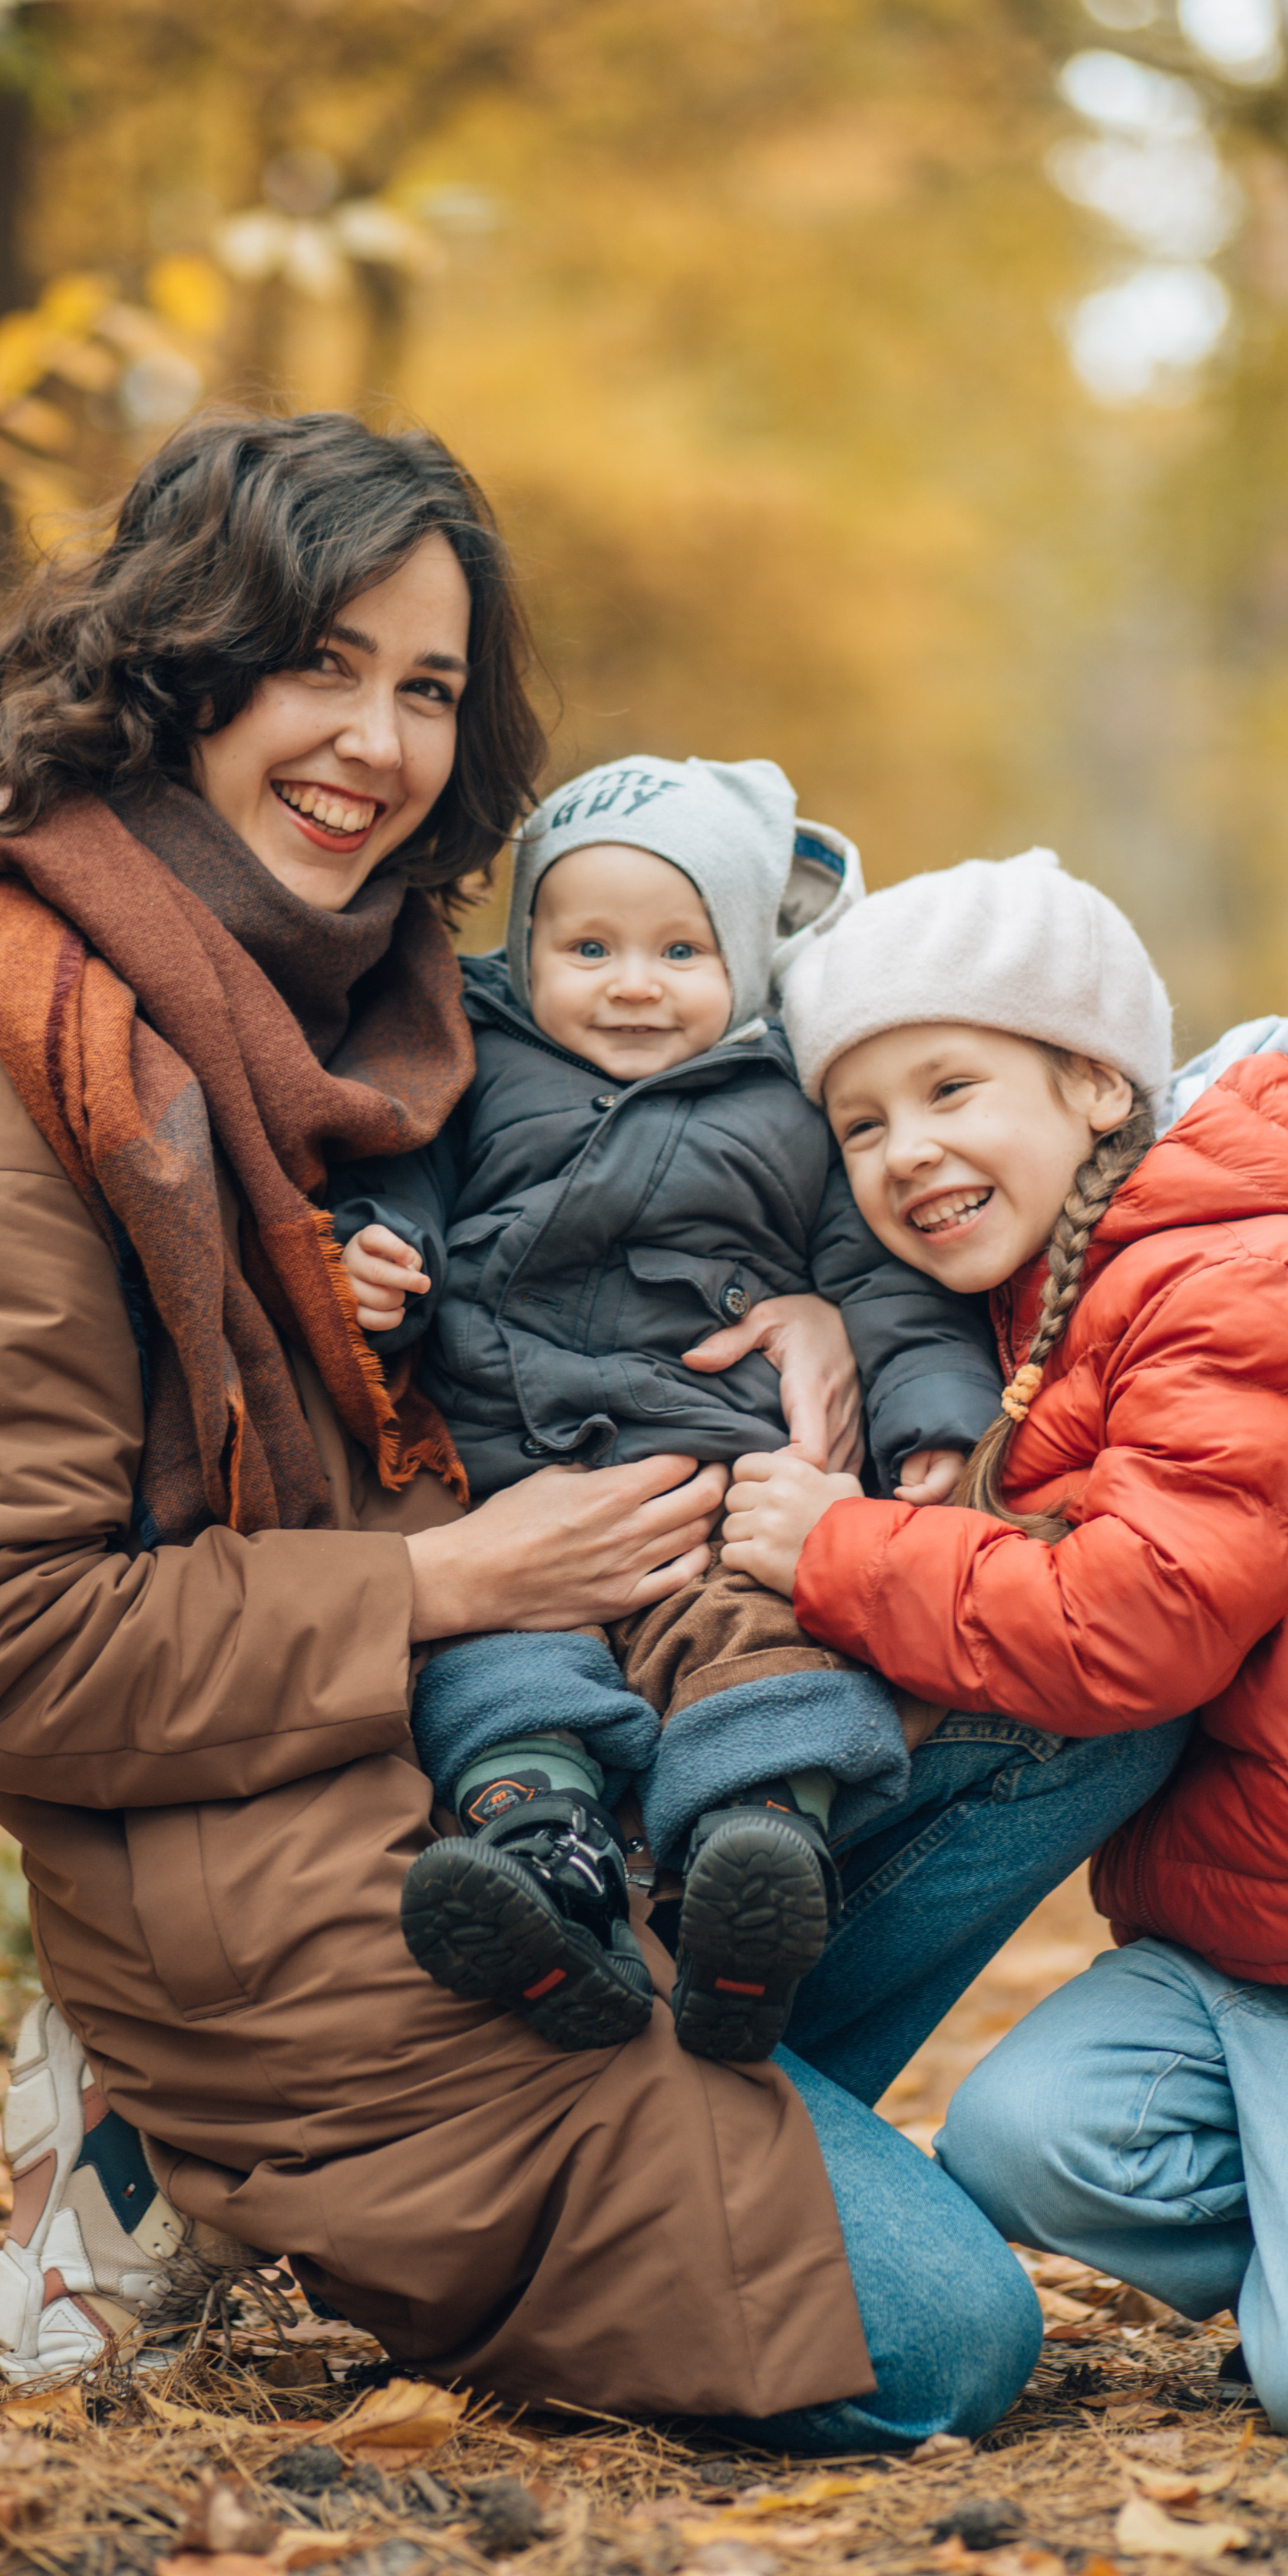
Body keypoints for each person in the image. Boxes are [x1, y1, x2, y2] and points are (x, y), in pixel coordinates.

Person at [0, 415, 1185, 2443]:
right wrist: (443, 1586)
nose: (378, 738)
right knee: (949, 2343)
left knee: (1091, 1657)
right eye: (319, 663)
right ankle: (167, 2107)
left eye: (428, 688)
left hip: (539, 1741)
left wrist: (809, 1317)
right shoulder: (12, 1071)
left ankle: (699, 2045)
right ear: (181, 663)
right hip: (285, 1877)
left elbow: (684, 1215)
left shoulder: (391, 1005)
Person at [719, 843, 1288, 2445]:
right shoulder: (1032, 1292)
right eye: (859, 1124)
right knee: (1015, 2145)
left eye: (948, 1089)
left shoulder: (1242, 1274)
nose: (904, 1152)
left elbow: (1140, 1623)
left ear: (1089, 1082)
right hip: (1233, 1945)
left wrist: (836, 1548)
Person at [331, 752, 1002, 2065]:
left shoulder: (793, 1108)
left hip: (721, 1488)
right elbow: (398, 1180)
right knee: (500, 1673)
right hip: (514, 1493)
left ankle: (756, 1877)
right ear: (524, 951)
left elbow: (883, 1285)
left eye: (681, 949)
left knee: (768, 1647)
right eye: (590, 945)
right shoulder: (472, 1066)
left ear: (748, 965)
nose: (634, 983)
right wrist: (378, 1262)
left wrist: (931, 1423)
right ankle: (543, 1868)